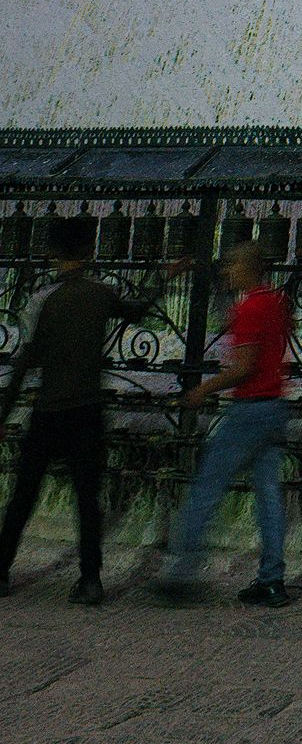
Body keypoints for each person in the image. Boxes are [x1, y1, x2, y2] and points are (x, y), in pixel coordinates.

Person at [0, 218, 180, 605]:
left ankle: (1, 573)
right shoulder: (101, 294)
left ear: (53, 254)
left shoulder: (41, 299)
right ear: (88, 251)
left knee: (23, 496)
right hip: (88, 412)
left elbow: (24, 362)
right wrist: (163, 278)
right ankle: (90, 581)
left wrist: (2, 416)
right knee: (88, 499)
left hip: (49, 411)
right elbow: (137, 312)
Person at [156, 241, 292, 605]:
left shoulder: (250, 308)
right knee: (268, 497)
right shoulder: (275, 302)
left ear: (249, 268)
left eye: (233, 264)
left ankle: (183, 574)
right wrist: (202, 269)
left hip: (248, 411)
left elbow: (244, 367)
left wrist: (204, 389)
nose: (228, 270)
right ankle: (272, 580)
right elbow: (243, 330)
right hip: (276, 407)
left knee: (206, 490)